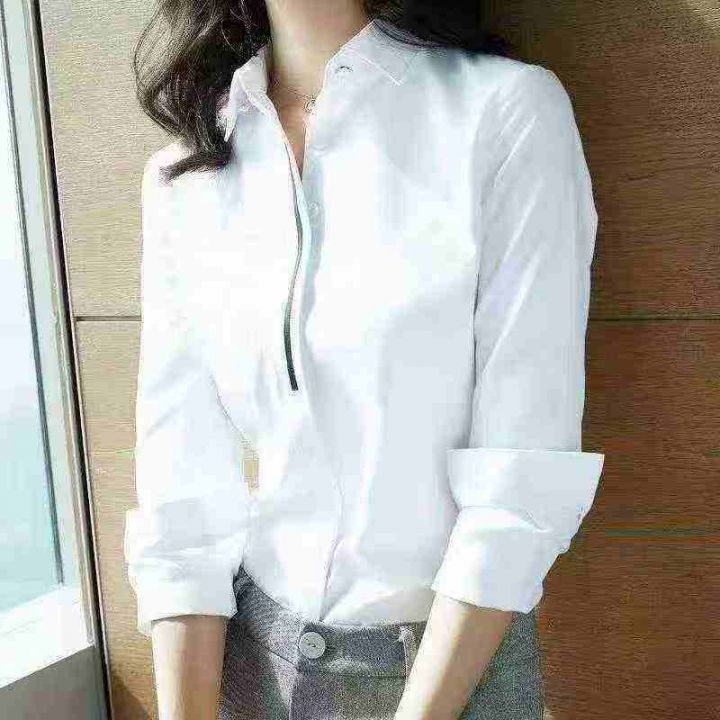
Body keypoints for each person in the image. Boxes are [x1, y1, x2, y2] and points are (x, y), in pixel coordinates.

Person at [124, 1, 605, 719]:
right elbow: (181, 500)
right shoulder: (186, 173)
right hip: (246, 669)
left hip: (447, 681)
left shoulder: (503, 111)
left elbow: (521, 481)